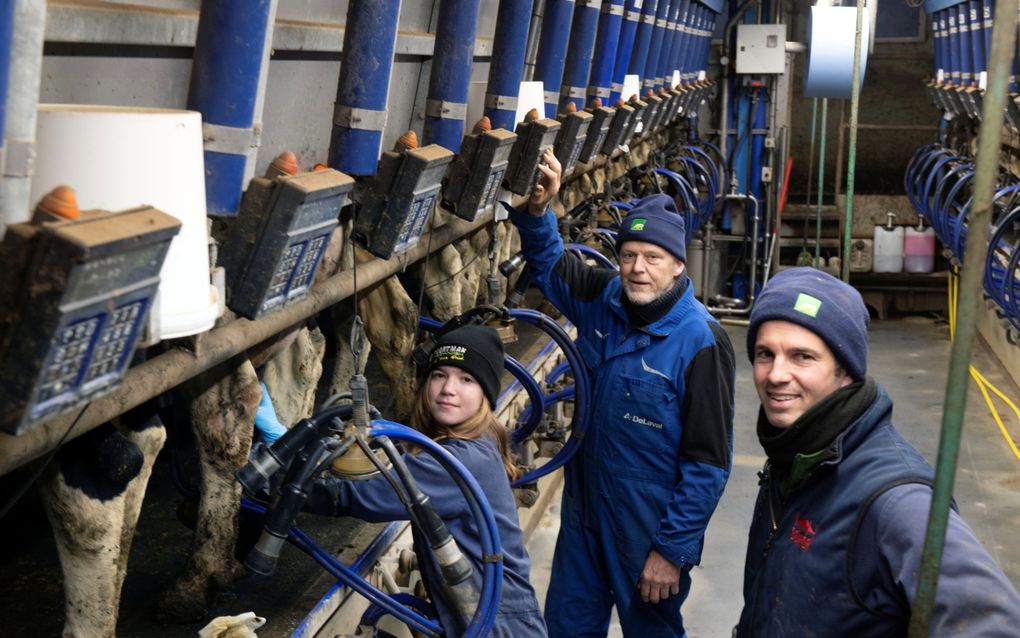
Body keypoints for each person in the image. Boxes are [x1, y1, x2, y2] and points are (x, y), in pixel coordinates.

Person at [508, 148, 736, 637]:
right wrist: (537, 212)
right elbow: (551, 265)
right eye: (629, 256)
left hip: (646, 527)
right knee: (567, 627)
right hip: (584, 513)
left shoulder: (700, 342)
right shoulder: (605, 297)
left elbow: (709, 464)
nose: (637, 268)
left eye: (653, 258)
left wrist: (671, 552)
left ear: (678, 264)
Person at [736, 267, 1020, 636]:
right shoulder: (796, 457)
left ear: (847, 371)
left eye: (802, 356)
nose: (776, 374)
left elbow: (993, 625)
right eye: (765, 353)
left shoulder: (898, 500)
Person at [306, 325, 547, 637]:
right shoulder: (475, 441)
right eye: (438, 375)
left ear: (486, 394)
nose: (448, 388)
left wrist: (285, 486)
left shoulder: (462, 460)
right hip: (484, 613)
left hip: (499, 623)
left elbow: (364, 495)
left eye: (467, 379)